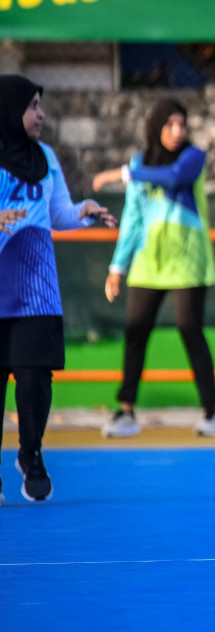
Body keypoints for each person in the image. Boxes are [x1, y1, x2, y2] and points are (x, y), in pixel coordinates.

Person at [0, 75, 117, 503]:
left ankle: (30, 453)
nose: (40, 113)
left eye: (39, 105)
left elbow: (58, 212)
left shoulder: (46, 157)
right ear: (10, 110)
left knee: (35, 377)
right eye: (32, 105)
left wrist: (82, 212)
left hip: (36, 288)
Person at [93, 98, 215, 438]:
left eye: (182, 124)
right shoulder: (140, 162)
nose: (177, 131)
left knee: (189, 328)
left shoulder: (192, 157)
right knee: (136, 331)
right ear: (156, 126)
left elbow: (174, 176)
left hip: (186, 260)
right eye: (170, 124)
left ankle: (213, 413)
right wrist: (117, 267)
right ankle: (125, 412)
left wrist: (123, 173)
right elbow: (133, 219)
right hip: (148, 261)